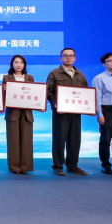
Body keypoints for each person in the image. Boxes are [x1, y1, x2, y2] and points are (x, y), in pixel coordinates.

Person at [46, 47, 89, 176]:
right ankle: (58, 166)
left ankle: (72, 166)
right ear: (61, 58)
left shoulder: (80, 74)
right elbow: (49, 91)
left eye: (71, 55)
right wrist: (55, 104)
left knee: (75, 139)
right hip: (61, 113)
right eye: (65, 55)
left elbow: (86, 92)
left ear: (75, 58)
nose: (68, 58)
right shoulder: (54, 73)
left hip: (75, 113)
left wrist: (89, 106)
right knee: (59, 139)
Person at [2, 55, 41, 175]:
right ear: (12, 64)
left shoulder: (29, 77)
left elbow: (34, 94)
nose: (18, 65)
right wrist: (3, 90)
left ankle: (25, 167)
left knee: (26, 141)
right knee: (13, 141)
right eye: (16, 62)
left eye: (21, 62)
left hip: (26, 113)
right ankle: (14, 167)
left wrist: (39, 105)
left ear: (24, 65)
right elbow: (3, 96)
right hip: (12, 113)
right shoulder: (7, 77)